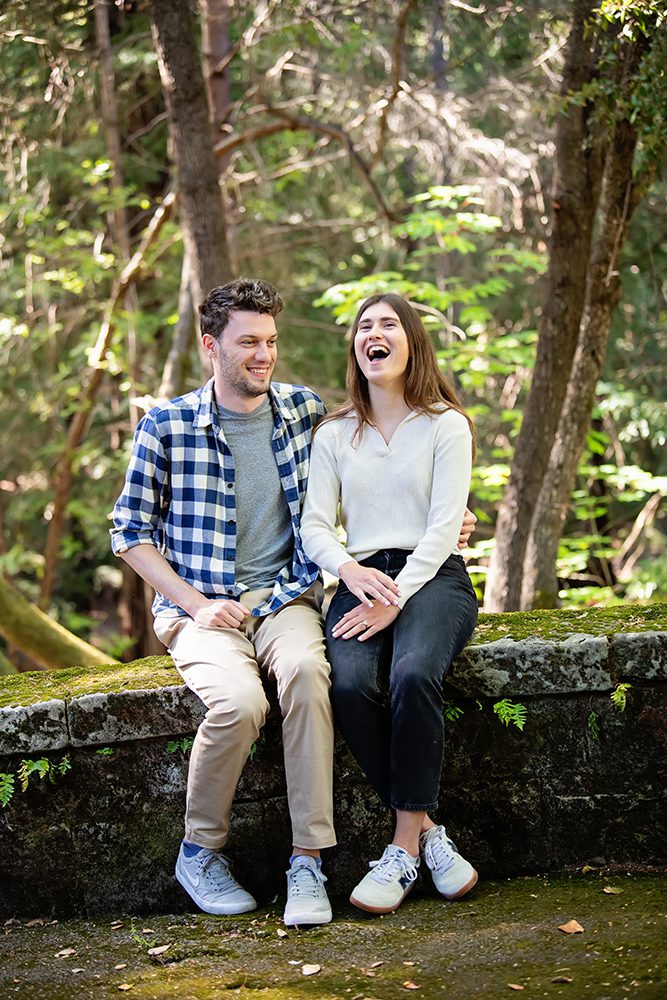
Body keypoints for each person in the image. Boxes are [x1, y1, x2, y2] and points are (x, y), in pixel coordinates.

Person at [110, 278, 335, 928]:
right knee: (239, 704)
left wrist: (446, 512)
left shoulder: (302, 411)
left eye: (269, 341)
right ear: (211, 345)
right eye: (247, 342)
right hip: (199, 609)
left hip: (286, 597)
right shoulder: (167, 425)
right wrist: (194, 604)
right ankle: (199, 852)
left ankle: (307, 862)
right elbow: (129, 532)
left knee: (306, 675)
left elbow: (374, 456)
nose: (263, 355)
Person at [301, 292, 479, 915]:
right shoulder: (333, 434)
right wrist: (351, 573)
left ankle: (401, 847)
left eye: (388, 324)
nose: (374, 334)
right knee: (346, 684)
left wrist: (397, 597)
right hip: (360, 575)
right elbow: (316, 527)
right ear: (356, 347)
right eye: (363, 327)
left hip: (433, 575)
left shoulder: (446, 424)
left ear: (411, 342)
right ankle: (431, 834)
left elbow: (444, 524)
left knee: (411, 673)